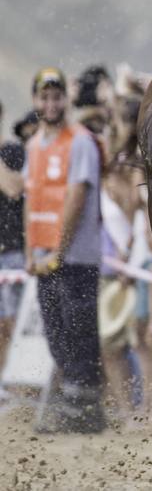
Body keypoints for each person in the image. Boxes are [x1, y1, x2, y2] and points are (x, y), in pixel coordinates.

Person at [23, 68, 105, 432]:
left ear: (65, 101)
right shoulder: (34, 145)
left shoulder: (80, 141)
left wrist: (60, 248)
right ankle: (73, 405)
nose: (51, 103)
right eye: (45, 97)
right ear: (36, 101)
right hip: (43, 257)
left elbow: (76, 195)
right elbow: (31, 198)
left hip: (75, 256)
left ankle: (86, 410)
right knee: (56, 333)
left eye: (57, 97)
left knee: (79, 330)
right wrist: (31, 250)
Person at [0, 100, 26, 382]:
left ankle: (13, 381)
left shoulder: (12, 151)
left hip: (12, 251)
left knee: (11, 322)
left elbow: (14, 188)